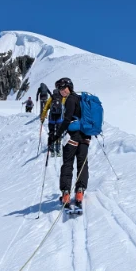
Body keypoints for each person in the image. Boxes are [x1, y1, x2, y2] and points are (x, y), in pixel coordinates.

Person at [48, 77, 90, 211]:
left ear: (69, 87)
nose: (61, 91)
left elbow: (66, 120)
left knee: (68, 163)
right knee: (82, 163)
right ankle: (80, 191)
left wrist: (56, 136)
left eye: (63, 88)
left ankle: (66, 194)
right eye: (60, 89)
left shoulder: (71, 100)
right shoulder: (81, 100)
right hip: (85, 137)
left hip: (73, 137)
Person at [41, 88, 65, 156]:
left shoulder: (51, 98)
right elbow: (65, 107)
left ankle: (51, 147)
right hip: (59, 119)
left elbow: (45, 108)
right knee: (58, 132)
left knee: (51, 132)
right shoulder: (62, 98)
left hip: (51, 119)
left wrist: (43, 117)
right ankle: (58, 148)